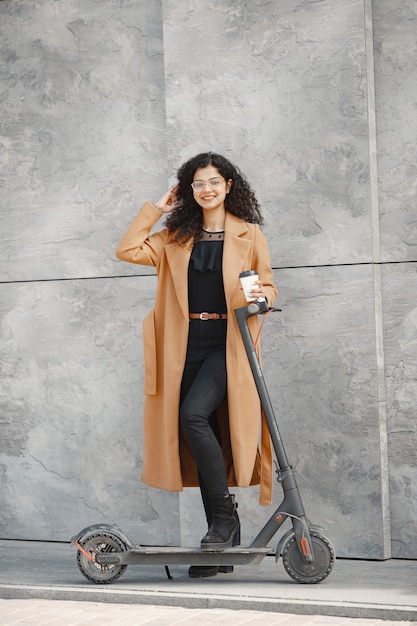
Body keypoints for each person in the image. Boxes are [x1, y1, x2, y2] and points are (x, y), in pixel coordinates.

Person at [116, 152, 278, 578]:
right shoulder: (175, 235)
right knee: (195, 433)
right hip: (183, 344)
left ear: (228, 185)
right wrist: (157, 209)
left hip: (229, 344)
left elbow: (270, 286)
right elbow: (127, 249)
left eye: (213, 182)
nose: (206, 189)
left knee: (194, 415)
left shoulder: (249, 233)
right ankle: (220, 539)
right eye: (197, 184)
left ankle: (225, 521)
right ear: (189, 191)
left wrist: (262, 299)